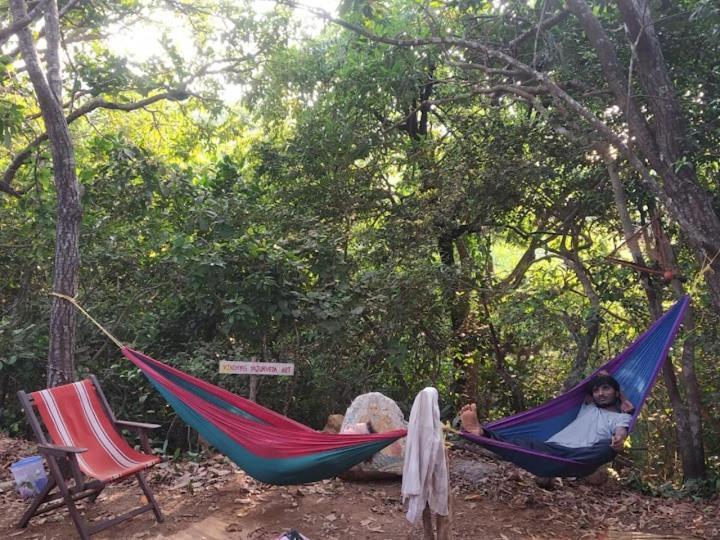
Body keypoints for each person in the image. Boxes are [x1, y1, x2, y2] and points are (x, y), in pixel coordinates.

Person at [460, 372, 634, 456]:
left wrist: (619, 439)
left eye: (606, 388)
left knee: (606, 446)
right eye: (597, 390)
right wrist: (604, 376)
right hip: (555, 448)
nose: (601, 393)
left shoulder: (621, 417)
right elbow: (591, 381)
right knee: (520, 444)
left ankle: (480, 432)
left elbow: (621, 431)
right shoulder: (588, 406)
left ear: (616, 392)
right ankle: (481, 432)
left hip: (582, 455)